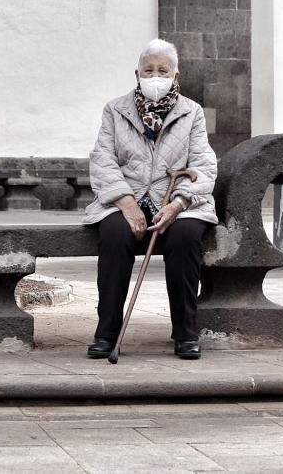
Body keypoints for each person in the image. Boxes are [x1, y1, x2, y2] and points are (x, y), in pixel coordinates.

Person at [83, 38, 217, 360]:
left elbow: (203, 165)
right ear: (137, 74)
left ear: (175, 75)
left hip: (177, 199)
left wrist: (179, 203)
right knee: (115, 235)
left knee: (185, 237)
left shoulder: (192, 112)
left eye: (163, 70)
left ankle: (186, 332)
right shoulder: (115, 110)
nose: (155, 76)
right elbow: (102, 159)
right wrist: (126, 203)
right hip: (125, 196)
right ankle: (107, 332)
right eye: (149, 70)